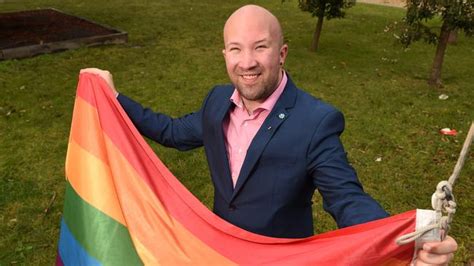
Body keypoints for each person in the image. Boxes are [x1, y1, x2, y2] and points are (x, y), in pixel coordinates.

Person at [81, 4, 457, 264]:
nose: (247, 62)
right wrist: (114, 98)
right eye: (236, 49)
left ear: (282, 53)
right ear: (224, 54)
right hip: (216, 254)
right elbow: (175, 132)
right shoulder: (216, 101)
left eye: (260, 47)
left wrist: (407, 240)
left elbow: (346, 199)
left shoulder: (316, 122)